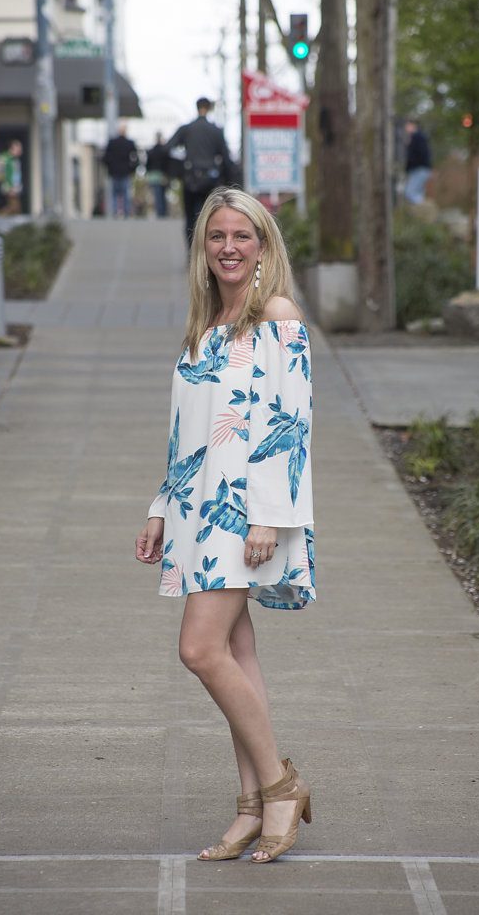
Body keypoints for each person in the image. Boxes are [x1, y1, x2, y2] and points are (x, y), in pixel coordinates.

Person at [136, 187, 315, 864]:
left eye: (243, 235)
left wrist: (268, 514)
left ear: (263, 244)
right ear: (203, 249)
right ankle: (249, 809)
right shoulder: (207, 322)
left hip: (246, 514)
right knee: (235, 655)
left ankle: (280, 785)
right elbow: (187, 435)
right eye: (217, 237)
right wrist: (160, 507)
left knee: (199, 650)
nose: (229, 247)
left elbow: (290, 426)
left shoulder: (277, 315)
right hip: (197, 509)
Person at [165, 97, 235, 248]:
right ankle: (207, 250)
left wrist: (180, 165)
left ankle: (192, 252)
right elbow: (226, 158)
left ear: (196, 108)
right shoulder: (216, 131)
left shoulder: (187, 129)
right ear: (209, 108)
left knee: (190, 217)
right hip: (211, 179)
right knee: (210, 215)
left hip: (190, 178)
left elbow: (168, 148)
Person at [102, 124, 139, 217]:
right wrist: (132, 168)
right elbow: (135, 158)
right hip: (124, 171)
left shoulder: (112, 143)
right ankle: (125, 212)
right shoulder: (129, 143)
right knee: (125, 193)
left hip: (115, 172)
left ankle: (115, 211)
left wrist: (110, 167)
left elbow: (106, 157)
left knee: (116, 193)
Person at [404, 119, 432, 204]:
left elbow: (420, 154)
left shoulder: (417, 137)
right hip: (421, 168)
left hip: (419, 169)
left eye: (407, 126)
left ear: (412, 125)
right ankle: (422, 212)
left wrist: (411, 164)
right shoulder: (417, 137)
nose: (406, 128)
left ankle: (422, 210)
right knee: (418, 193)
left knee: (410, 192)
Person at [0, 139, 23, 215]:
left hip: (14, 187)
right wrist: (9, 186)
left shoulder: (14, 159)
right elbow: (0, 172)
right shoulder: (5, 158)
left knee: (15, 208)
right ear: (12, 148)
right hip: (9, 187)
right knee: (14, 207)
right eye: (18, 148)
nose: (20, 150)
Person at [146, 132, 170, 218]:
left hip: (154, 175)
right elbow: (168, 164)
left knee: (157, 194)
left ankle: (160, 212)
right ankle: (162, 212)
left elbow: (147, 164)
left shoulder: (151, 151)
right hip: (163, 175)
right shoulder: (164, 151)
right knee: (162, 194)